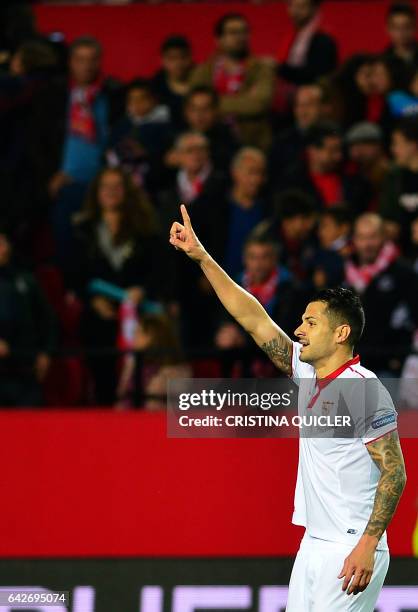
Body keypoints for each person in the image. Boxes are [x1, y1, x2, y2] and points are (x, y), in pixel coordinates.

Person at [169, 204, 406, 612]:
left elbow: (394, 471)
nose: (299, 330)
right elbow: (254, 319)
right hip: (313, 543)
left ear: (341, 332)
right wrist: (202, 257)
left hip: (350, 546)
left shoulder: (363, 391)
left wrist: (368, 546)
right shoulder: (308, 373)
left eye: (311, 323)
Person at [71, 167, 162, 405]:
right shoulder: (83, 230)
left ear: (126, 191)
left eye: (117, 186)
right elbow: (72, 273)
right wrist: (92, 300)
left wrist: (142, 291)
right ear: (96, 192)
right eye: (105, 186)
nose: (111, 192)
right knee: (103, 381)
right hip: (98, 318)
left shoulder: (144, 229)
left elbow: (158, 270)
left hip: (139, 319)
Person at [345, 213, 418, 375]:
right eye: (362, 237)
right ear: (354, 240)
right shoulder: (344, 273)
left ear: (384, 237)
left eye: (372, 237)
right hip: (349, 367)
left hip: (389, 367)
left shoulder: (403, 273)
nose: (367, 244)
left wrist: (398, 358)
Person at [190, 13, 276, 150]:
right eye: (233, 33)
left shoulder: (261, 69)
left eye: (244, 32)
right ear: (219, 39)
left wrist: (213, 104)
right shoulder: (204, 71)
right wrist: (244, 100)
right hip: (210, 144)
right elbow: (193, 105)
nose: (240, 37)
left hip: (251, 144)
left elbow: (258, 104)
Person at [0, 231, 57, 407]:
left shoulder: (25, 281)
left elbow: (49, 321)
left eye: (3, 242)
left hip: (25, 372)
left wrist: (46, 353)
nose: (2, 248)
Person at [279, 120, 372, 213]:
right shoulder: (292, 184)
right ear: (313, 151)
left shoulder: (353, 180)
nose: (339, 156)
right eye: (332, 151)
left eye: (340, 150)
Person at [107, 78, 172, 191]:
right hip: (122, 182)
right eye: (132, 99)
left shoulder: (164, 126)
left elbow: (165, 157)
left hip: (152, 185)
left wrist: (145, 153)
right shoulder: (122, 125)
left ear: (154, 100)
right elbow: (110, 148)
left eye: (142, 98)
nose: (137, 103)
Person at [270, 83, 326, 179]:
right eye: (298, 105)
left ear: (320, 107)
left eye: (308, 105)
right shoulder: (283, 141)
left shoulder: (331, 137)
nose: (303, 111)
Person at [380, 117, 418, 254]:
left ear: (413, 145)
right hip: (401, 256)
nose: (393, 150)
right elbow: (386, 216)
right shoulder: (393, 177)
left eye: (397, 144)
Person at [278, 0, 338, 85]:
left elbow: (316, 75)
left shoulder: (323, 40)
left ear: (314, 9)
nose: (295, 11)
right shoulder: (293, 36)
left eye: (301, 7)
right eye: (292, 6)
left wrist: (279, 69)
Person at [151, 35, 193, 130]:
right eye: (172, 58)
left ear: (190, 57)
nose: (178, 63)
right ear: (162, 60)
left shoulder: (202, 81)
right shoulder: (155, 87)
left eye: (183, 57)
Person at [346, 122, 390, 209]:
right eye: (354, 145)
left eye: (364, 144)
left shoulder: (391, 173)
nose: (358, 150)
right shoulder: (351, 172)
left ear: (379, 146)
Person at [383, 2, 418, 91]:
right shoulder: (382, 62)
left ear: (415, 27)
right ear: (388, 29)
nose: (401, 33)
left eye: (407, 27)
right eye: (396, 27)